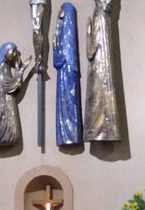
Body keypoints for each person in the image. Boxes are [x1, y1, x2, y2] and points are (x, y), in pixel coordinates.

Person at [84, 0, 120, 142]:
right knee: (97, 78)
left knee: (101, 74)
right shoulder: (100, 15)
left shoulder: (101, 15)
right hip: (100, 19)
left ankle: (105, 127)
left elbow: (91, 52)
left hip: (101, 20)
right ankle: (100, 127)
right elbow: (91, 53)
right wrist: (88, 36)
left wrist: (89, 36)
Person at [53, 2, 83, 146]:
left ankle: (72, 135)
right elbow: (57, 46)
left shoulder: (67, 33)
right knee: (65, 100)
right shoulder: (61, 29)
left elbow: (64, 51)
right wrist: (58, 23)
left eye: (61, 11)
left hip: (69, 69)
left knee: (70, 100)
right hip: (64, 68)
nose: (59, 13)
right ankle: (65, 135)